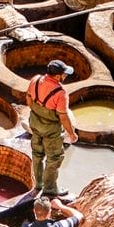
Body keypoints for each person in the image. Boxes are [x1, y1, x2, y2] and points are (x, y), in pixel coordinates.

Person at [26, 61, 78, 196]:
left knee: (37, 154)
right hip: (51, 130)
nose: (66, 76)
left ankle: (38, 184)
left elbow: (29, 98)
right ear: (57, 76)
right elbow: (63, 117)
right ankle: (49, 189)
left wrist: (37, 113)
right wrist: (71, 134)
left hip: (35, 124)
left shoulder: (35, 80)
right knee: (54, 158)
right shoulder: (61, 93)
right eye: (64, 74)